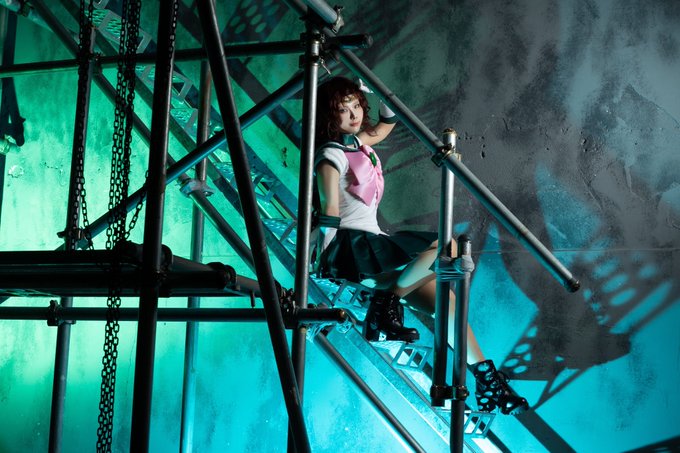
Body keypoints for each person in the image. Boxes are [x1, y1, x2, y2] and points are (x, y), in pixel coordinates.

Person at [312, 76, 528, 415]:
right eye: (343, 109)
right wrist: (323, 259)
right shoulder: (330, 155)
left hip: (374, 242)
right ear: (328, 115)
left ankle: (488, 379)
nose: (353, 115)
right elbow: (329, 213)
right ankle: (385, 306)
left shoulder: (358, 143)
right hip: (352, 247)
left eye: (356, 105)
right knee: (446, 246)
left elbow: (385, 125)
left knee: (447, 302)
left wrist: (376, 88)